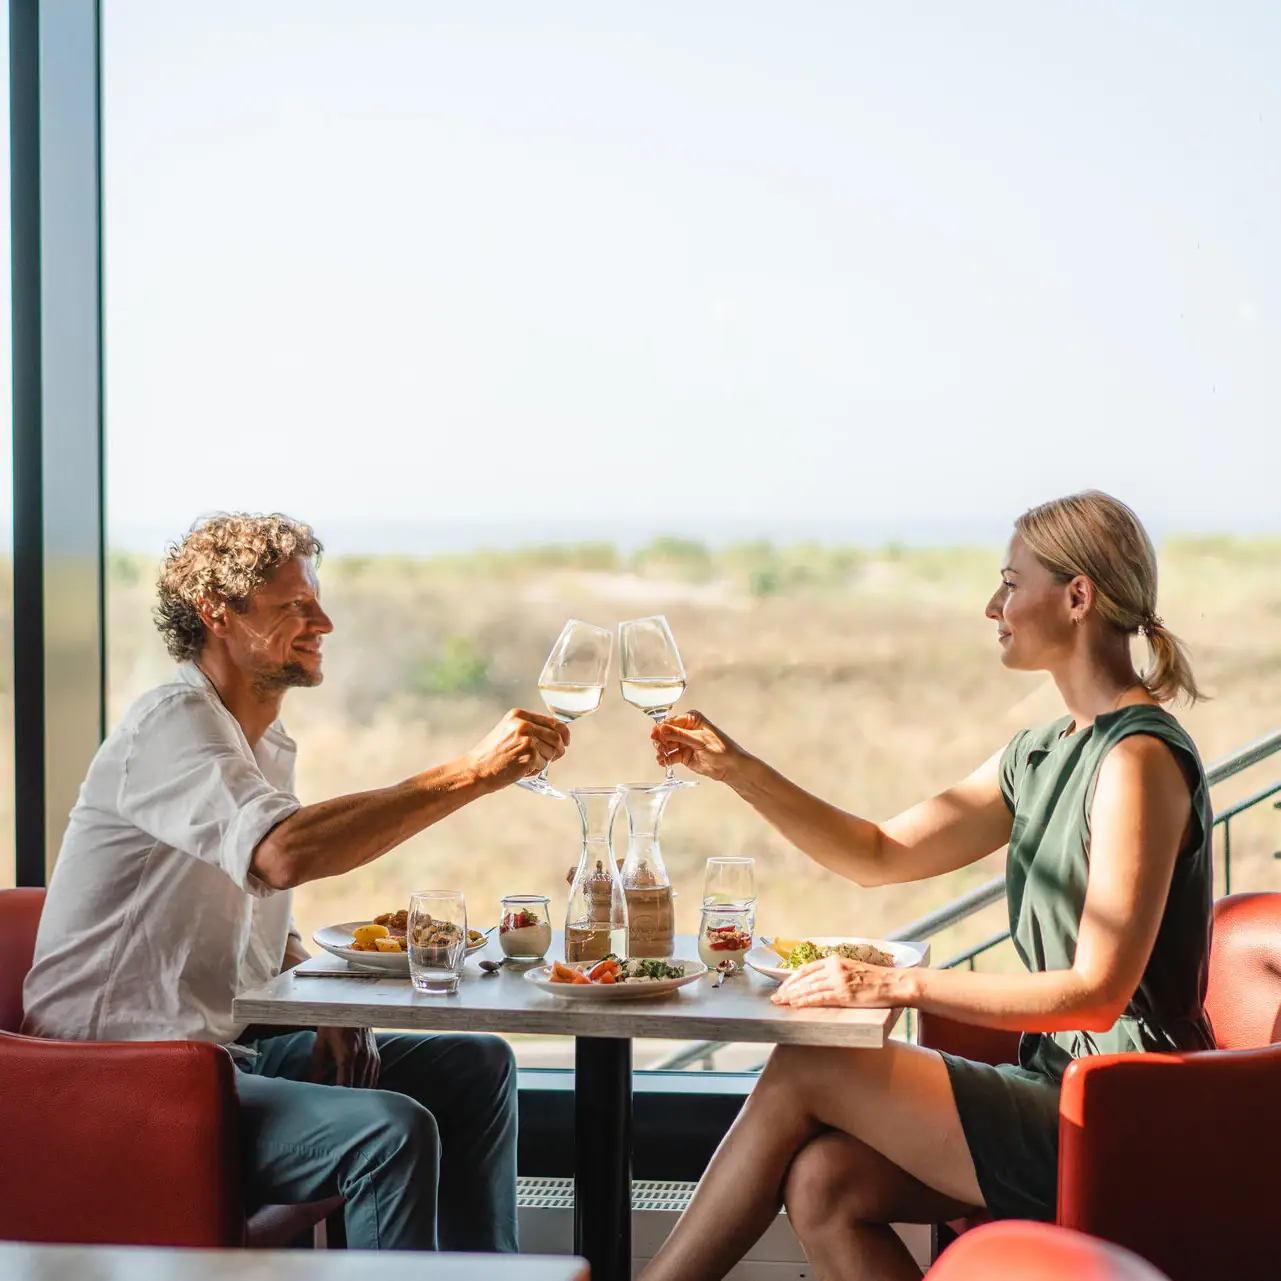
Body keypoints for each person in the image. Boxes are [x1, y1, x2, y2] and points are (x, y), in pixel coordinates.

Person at [640, 491, 1214, 1281]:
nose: (993, 606)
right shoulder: (1040, 751)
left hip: (1126, 1109)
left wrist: (894, 983)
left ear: (1078, 597)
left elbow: (1097, 991)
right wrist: (737, 769)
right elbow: (877, 852)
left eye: (1011, 583)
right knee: (825, 1183)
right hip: (1056, 1083)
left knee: (808, 1065)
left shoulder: (1137, 759)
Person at [22, 513, 571, 1252]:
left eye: (315, 601)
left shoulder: (262, 745)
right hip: (116, 1082)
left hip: (215, 1057)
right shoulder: (170, 723)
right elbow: (281, 854)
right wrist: (472, 773)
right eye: (294, 607)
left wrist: (326, 1002)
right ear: (218, 614)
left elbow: (253, 929)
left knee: (474, 1064)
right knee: (388, 1131)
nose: (324, 622)